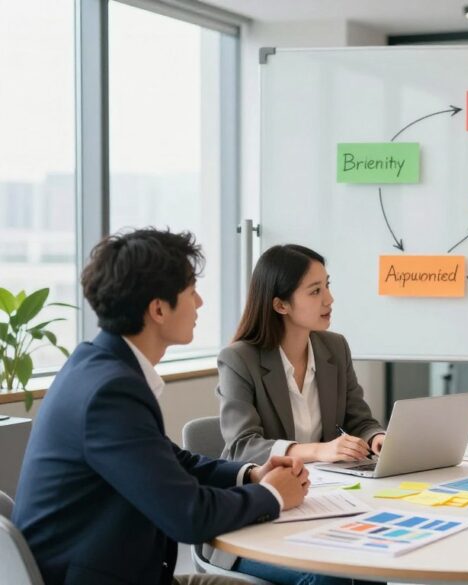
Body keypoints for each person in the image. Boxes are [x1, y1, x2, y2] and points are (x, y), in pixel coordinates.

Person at [13, 228, 309, 585]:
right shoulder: (110, 392)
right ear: (158, 309)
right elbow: (189, 516)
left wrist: (250, 474)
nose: (200, 303)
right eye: (191, 292)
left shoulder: (95, 365)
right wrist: (272, 494)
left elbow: (170, 461)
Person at [216, 244, 385, 584]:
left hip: (325, 506)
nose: (329, 299)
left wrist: (376, 437)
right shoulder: (239, 359)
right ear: (280, 304)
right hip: (256, 525)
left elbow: (359, 420)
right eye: (315, 291)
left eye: (327, 286)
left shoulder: (334, 347)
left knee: (374, 558)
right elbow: (242, 447)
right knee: (333, 575)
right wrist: (318, 450)